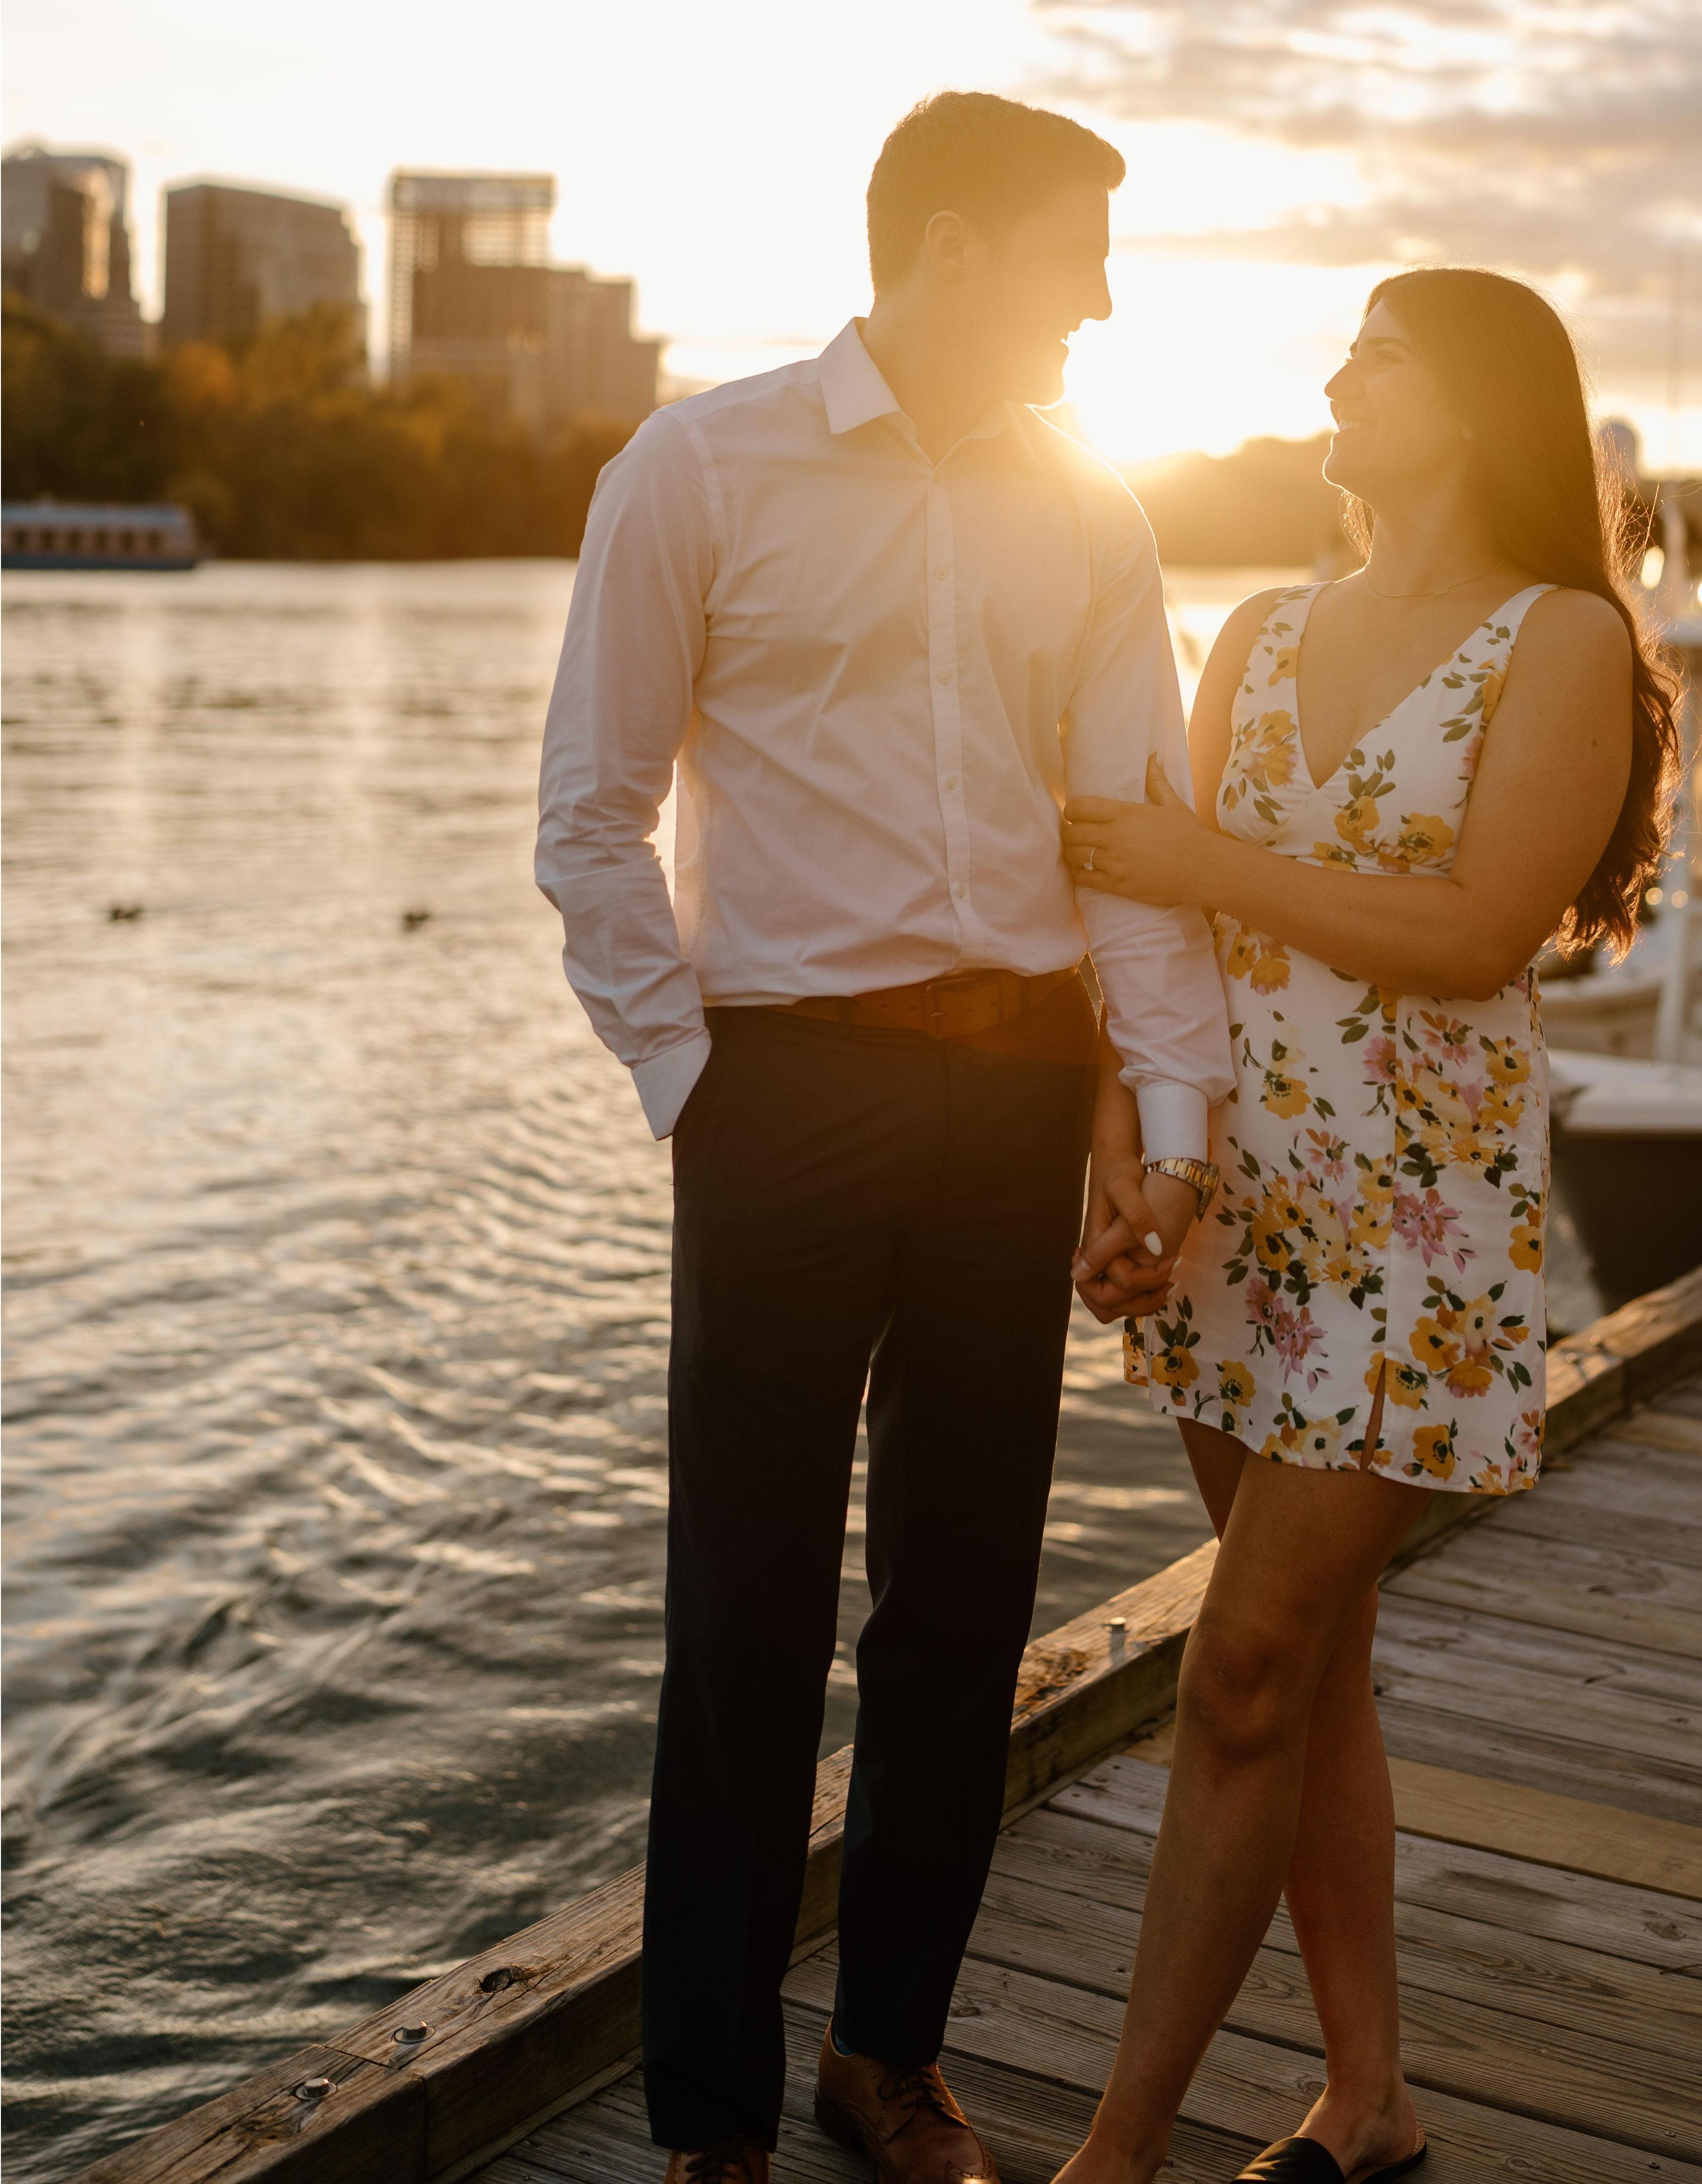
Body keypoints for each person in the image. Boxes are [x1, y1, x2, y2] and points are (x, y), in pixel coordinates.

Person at [536, 93, 1231, 2184]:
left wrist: (1168, 1113)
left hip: (1014, 1089)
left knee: (962, 1602)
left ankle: (889, 2052)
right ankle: (709, 2117)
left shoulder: (1091, 513)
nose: (1104, 300)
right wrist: (699, 1086)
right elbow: (591, 812)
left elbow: (1126, 842)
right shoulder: (699, 465)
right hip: (784, 1094)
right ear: (947, 246)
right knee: (742, 1605)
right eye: (1073, 255)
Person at [1059, 269, 1679, 2184]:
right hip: (1237, 1202)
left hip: (1411, 1225)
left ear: (1482, 402)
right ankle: (1374, 2097)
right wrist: (1127, 1145)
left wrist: (1202, 858)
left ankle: (1118, 2151)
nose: (1339, 376)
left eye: (1381, 353)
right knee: (1304, 1659)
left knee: (1242, 1661)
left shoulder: (1561, 638)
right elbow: (1161, 939)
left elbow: (1479, 931)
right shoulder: (1256, 625)